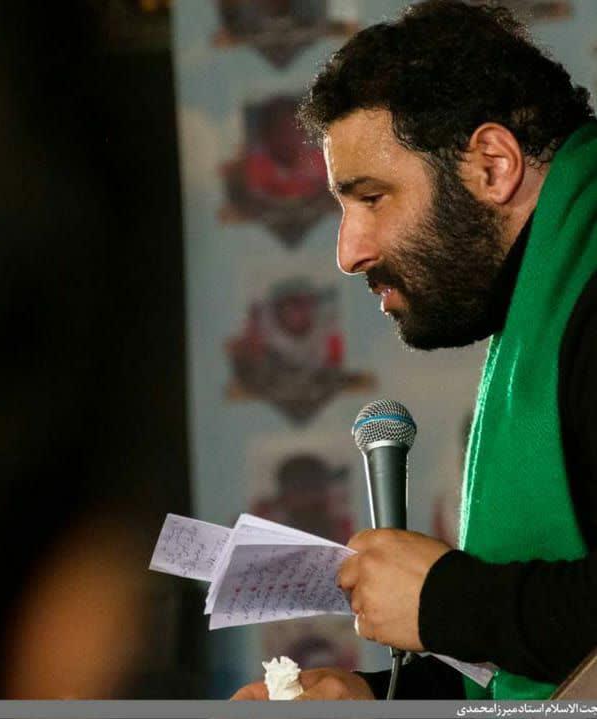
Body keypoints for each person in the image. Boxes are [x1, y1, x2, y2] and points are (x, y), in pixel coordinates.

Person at [231, 0, 597, 701]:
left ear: (492, 165)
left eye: (372, 197)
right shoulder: (550, 285)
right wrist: (375, 698)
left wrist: (447, 601)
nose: (348, 252)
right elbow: (545, 681)